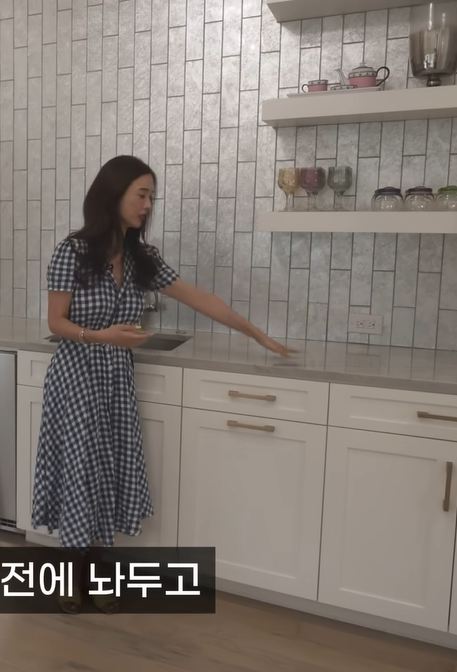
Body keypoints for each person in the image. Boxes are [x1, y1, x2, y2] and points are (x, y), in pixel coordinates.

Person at [31, 155, 295, 615]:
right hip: (76, 377)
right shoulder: (72, 251)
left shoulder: (142, 258)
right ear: (114, 195)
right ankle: (70, 577)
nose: (148, 205)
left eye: (151, 196)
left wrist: (257, 334)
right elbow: (56, 322)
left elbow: (200, 298)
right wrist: (102, 336)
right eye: (141, 194)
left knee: (108, 473)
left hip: (116, 381)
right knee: (79, 473)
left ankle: (99, 573)